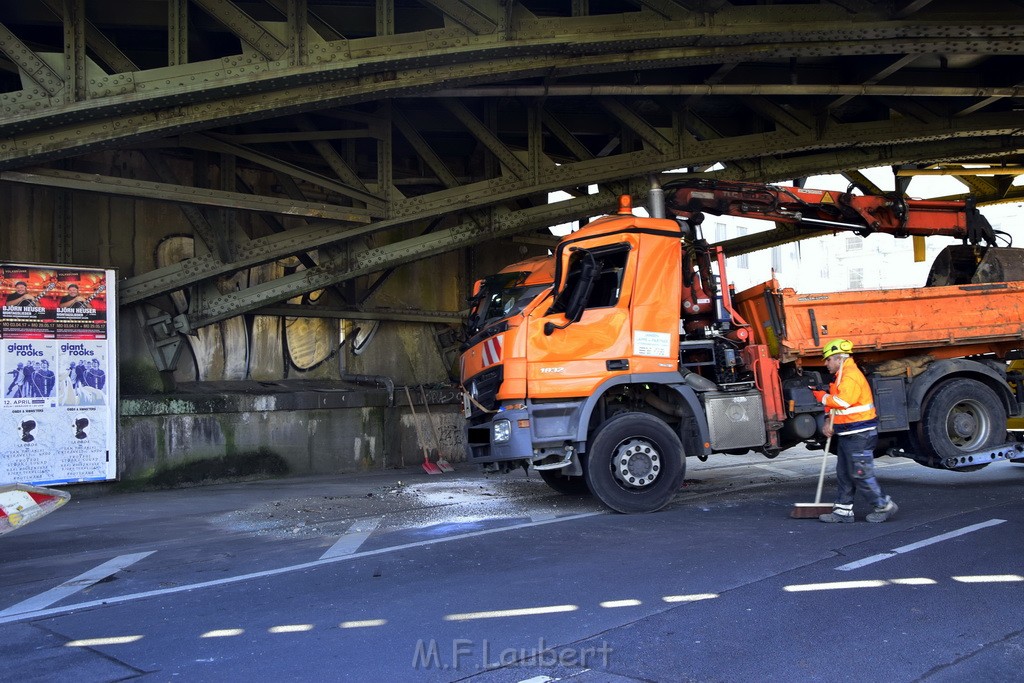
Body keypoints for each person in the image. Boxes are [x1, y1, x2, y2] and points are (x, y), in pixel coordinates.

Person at [812, 338, 898, 523]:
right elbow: (837, 404)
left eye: (828, 359)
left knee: (860, 473)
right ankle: (842, 512)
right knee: (844, 473)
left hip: (859, 434)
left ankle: (884, 505)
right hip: (849, 433)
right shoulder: (842, 376)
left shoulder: (850, 376)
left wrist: (821, 397)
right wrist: (829, 421)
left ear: (838, 358)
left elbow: (842, 402)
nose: (826, 364)